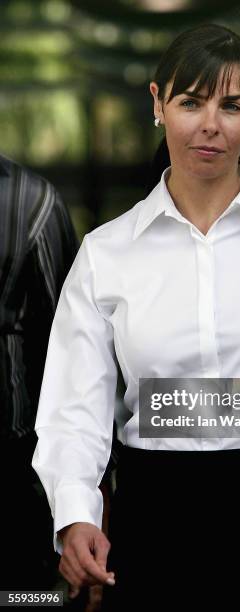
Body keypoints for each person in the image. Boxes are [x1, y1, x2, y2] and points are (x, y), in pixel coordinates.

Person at [31, 23, 240, 611]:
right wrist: (75, 515)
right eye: (190, 102)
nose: (210, 124)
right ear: (158, 103)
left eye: (231, 105)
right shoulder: (107, 252)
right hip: (160, 516)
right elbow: (74, 410)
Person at [0, 152, 79, 589]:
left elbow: (69, 363)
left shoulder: (32, 202)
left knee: (26, 601)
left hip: (11, 483)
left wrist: (86, 501)